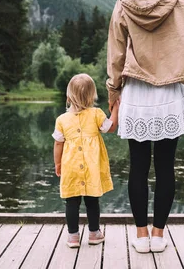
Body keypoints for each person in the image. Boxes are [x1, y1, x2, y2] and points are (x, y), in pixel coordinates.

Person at [106, 0, 184, 253]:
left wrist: (113, 92)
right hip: (172, 93)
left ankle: (140, 234)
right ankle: (159, 235)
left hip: (136, 93)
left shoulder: (123, 2)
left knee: (137, 166)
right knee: (165, 167)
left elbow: (115, 54)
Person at [53, 73, 119, 248]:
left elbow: (58, 144)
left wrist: (58, 163)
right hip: (92, 167)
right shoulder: (96, 114)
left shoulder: (61, 120)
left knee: (71, 201)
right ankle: (94, 233)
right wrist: (116, 108)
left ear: (68, 97)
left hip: (71, 166)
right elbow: (110, 128)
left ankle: (73, 237)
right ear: (92, 96)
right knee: (92, 201)